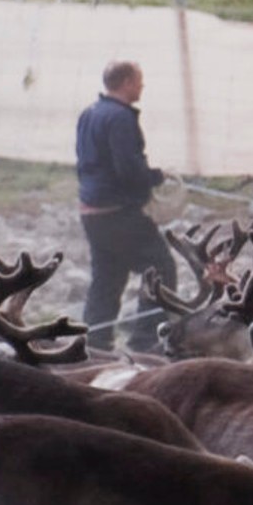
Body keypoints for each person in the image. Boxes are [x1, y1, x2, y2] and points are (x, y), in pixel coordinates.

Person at [74, 61, 176, 349]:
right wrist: (155, 177)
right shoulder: (120, 118)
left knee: (107, 277)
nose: (142, 86)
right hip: (119, 212)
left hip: (92, 213)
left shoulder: (89, 114)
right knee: (161, 269)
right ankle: (145, 342)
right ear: (127, 82)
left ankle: (94, 343)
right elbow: (128, 169)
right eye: (139, 81)